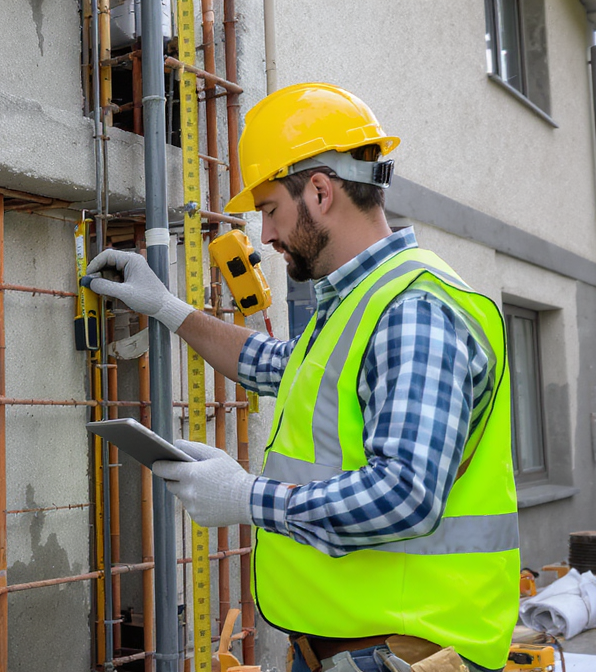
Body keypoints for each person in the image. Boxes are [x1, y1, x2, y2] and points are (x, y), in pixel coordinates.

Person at [83, 83, 519, 672]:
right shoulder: (360, 303)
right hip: (356, 648)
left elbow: (405, 496)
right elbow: (272, 364)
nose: (265, 235)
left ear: (319, 190)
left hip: (402, 652)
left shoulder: (413, 309)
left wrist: (245, 497)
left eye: (269, 210)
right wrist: (168, 309)